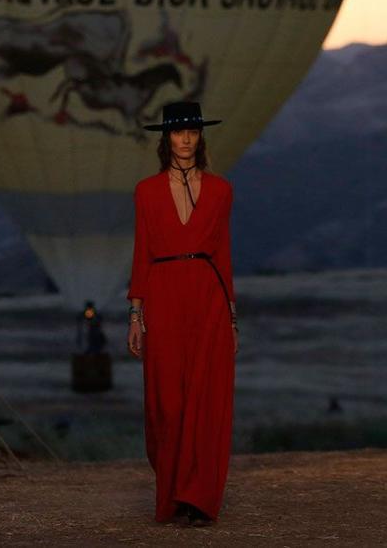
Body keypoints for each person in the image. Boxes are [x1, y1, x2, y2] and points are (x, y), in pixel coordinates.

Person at [127, 101, 236, 527]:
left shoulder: (222, 190)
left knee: (205, 399)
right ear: (166, 138)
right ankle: (172, 492)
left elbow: (224, 255)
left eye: (192, 130)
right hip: (164, 294)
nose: (186, 138)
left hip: (208, 296)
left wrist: (231, 317)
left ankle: (197, 497)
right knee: (167, 402)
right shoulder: (146, 191)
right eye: (178, 131)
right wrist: (136, 314)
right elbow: (141, 253)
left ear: (200, 136)